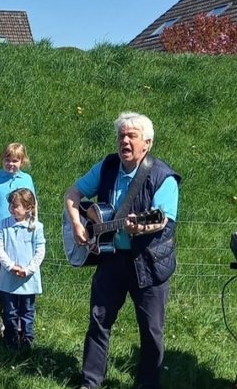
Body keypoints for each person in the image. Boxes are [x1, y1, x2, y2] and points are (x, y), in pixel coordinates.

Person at [64, 112, 179, 389]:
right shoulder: (107, 166)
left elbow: (163, 220)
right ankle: (90, 383)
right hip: (111, 257)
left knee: (151, 332)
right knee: (98, 320)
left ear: (147, 143)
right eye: (121, 136)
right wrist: (78, 223)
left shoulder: (164, 177)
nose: (124, 141)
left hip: (149, 263)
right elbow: (72, 193)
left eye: (132, 136)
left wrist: (140, 227)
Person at [0, 142, 36, 333]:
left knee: (16, 270)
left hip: (20, 234)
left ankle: (15, 312)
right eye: (7, 159)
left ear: (22, 161)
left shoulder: (26, 179)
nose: (11, 164)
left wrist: (33, 225)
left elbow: (33, 204)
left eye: (15, 160)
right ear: (1, 159)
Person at [0, 188, 45, 351]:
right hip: (9, 277)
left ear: (28, 207)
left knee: (27, 310)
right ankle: (11, 338)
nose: (11, 209)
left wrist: (28, 269)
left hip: (28, 279)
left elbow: (40, 251)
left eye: (16, 206)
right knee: (10, 310)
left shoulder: (36, 227)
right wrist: (10, 266)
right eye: (10, 205)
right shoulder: (4, 224)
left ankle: (27, 339)